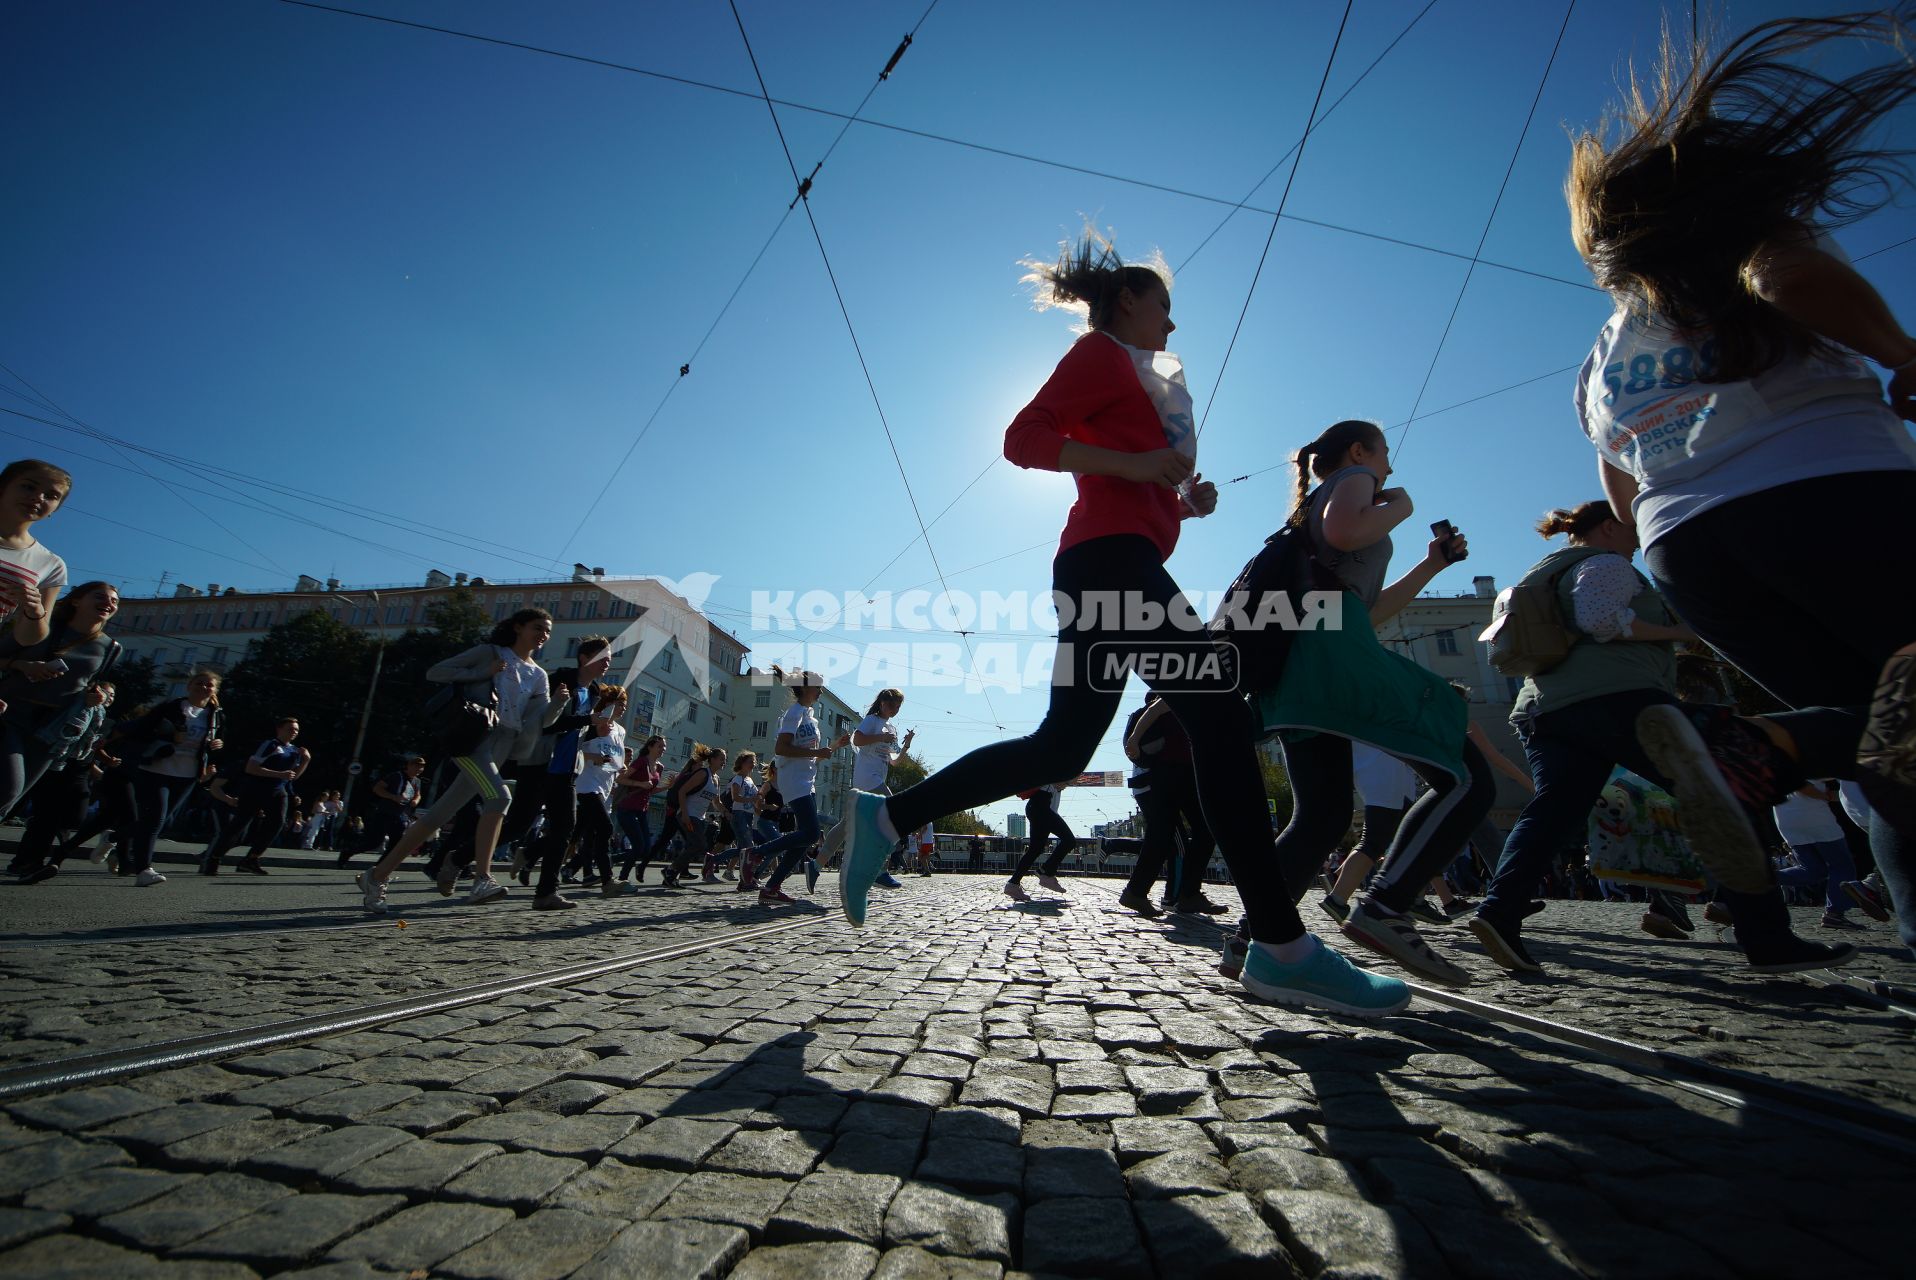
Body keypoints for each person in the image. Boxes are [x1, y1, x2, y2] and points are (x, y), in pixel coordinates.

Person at [833, 232, 1406, 1014]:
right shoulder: (1101, 354)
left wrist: (1179, 503)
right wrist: (1137, 469)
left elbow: (1127, 481)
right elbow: (1021, 439)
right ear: (1128, 301)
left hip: (1108, 561)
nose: (1172, 326)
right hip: (1110, 565)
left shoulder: (1138, 378)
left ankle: (887, 814)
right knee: (1219, 719)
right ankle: (1282, 947)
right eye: (1164, 308)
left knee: (1061, 745)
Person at [1565, 13, 1916, 958]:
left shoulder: (1605, 346)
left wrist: (1653, 550)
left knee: (1890, 745)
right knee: (1892, 728)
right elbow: (1789, 274)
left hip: (1693, 550)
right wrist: (1901, 352)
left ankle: (1775, 748)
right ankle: (1773, 749)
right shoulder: (1744, 247)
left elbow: (1613, 467)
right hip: (1833, 492)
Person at [1467, 502, 1845, 972]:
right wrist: (1676, 631)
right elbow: (1600, 620)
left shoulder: (1545, 570)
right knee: (1721, 795)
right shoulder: (1605, 562)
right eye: (1631, 529)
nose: (1638, 539)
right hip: (1618, 701)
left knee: (1551, 814)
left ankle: (1500, 911)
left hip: (1545, 710)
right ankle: (1766, 936)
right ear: (1609, 527)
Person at [1248, 418, 1498, 988]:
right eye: (1385, 454)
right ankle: (1385, 907)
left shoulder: (1313, 507)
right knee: (1464, 776)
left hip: (1301, 670)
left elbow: (1369, 609)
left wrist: (1432, 564)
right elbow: (1345, 533)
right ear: (1359, 451)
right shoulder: (1357, 478)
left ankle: (1252, 937)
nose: (1390, 468)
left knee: (1321, 816)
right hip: (1337, 658)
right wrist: (1402, 504)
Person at [358, 609, 557, 913]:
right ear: (518, 627)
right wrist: (483, 672)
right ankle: (482, 879)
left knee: (436, 816)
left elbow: (540, 721)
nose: (543, 635)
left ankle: (376, 876)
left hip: (504, 743)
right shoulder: (489, 652)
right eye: (537, 628)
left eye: (547, 631)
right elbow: (436, 672)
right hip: (473, 738)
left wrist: (557, 704)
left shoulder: (539, 674)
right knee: (499, 796)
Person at [500, 637, 613, 909]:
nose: (608, 662)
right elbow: (546, 724)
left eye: (610, 657)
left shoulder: (594, 692)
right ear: (584, 658)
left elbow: (576, 730)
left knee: (564, 828)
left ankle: (546, 892)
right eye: (604, 657)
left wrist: (593, 730)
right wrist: (588, 720)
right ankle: (456, 858)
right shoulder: (559, 681)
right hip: (539, 763)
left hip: (566, 770)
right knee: (518, 824)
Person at [0, 580, 120, 828]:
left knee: (12, 800)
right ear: (76, 600)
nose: (108, 603)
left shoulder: (111, 647)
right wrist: (22, 665)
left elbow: (89, 685)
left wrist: (94, 697)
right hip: (9, 713)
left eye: (114, 601)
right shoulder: (42, 626)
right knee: (8, 788)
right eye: (100, 597)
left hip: (52, 729)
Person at [753, 668, 852, 905]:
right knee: (810, 833)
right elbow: (781, 748)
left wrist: (834, 747)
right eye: (818, 687)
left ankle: (772, 887)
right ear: (806, 688)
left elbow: (809, 756)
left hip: (807, 780)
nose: (820, 692)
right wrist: (816, 751)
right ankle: (756, 853)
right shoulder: (793, 713)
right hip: (794, 780)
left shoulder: (809, 716)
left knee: (805, 839)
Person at [1117, 693, 1219, 917]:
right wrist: (1134, 739)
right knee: (1162, 834)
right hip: (1168, 770)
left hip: (1188, 771)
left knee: (1205, 830)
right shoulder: (1183, 687)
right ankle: (1137, 892)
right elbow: (1155, 709)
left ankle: (1188, 894)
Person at [120, 670, 225, 887]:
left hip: (187, 774)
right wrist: (169, 737)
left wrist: (217, 745)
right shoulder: (172, 707)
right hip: (157, 768)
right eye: (199, 683)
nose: (204, 688)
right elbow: (142, 730)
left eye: (209, 685)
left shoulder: (215, 715)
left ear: (215, 690)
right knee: (156, 818)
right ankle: (143, 869)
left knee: (163, 820)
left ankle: (114, 839)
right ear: (189, 685)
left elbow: (216, 742)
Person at [9, 681, 114, 883]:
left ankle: (31, 855)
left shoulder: (101, 716)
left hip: (77, 768)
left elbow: (88, 746)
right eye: (105, 692)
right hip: (53, 761)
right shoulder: (77, 701)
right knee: (43, 814)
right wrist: (86, 703)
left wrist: (100, 766)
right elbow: (67, 732)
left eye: (111, 696)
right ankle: (27, 863)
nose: (107, 697)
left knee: (71, 815)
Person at [820, 689, 914, 886]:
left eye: (898, 707)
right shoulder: (872, 720)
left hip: (875, 780)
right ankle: (880, 871)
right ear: (882, 703)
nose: (895, 710)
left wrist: (906, 746)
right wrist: (881, 738)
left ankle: (815, 864)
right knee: (893, 812)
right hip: (867, 779)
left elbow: (894, 762)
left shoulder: (891, 729)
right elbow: (858, 739)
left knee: (847, 824)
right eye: (892, 705)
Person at [202, 716, 309, 875]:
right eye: (290, 729)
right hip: (255, 789)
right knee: (239, 825)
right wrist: (279, 774)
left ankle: (251, 859)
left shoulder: (294, 750)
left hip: (278, 791)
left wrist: (306, 760)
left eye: (296, 730)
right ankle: (214, 858)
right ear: (279, 729)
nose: (294, 732)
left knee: (276, 824)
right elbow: (251, 768)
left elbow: (293, 776)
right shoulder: (271, 744)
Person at [1774, 781, 1878, 930]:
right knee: (1842, 866)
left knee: (1813, 870)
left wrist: (1830, 795)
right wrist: (1823, 796)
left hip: (1786, 820)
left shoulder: (1777, 760)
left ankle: (1761, 878)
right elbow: (1803, 785)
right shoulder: (1808, 759)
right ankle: (1834, 913)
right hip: (1814, 819)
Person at [0, 459, 72, 650]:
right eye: (28, 487)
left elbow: (27, 639)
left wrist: (34, 610)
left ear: (55, 509)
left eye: (51, 495)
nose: (38, 497)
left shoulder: (51, 564)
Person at [572, 693, 627, 897]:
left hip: (604, 786)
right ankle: (607, 880)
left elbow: (616, 757)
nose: (623, 708)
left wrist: (620, 768)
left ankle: (529, 854)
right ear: (606, 704)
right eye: (619, 703)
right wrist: (592, 756)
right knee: (605, 828)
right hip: (586, 783)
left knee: (574, 830)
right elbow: (573, 749)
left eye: (625, 704)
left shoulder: (620, 731)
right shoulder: (593, 724)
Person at [664, 744, 727, 889]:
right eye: (721, 759)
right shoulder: (703, 773)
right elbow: (682, 792)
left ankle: (671, 874)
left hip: (699, 818)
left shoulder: (716, 779)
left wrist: (726, 812)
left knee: (694, 845)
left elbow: (716, 801)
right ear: (711, 760)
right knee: (699, 845)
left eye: (725, 759)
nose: (724, 762)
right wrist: (685, 814)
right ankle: (671, 871)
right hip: (689, 815)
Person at [1005, 781, 1078, 902]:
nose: (1067, 786)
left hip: (1037, 807)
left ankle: (1012, 884)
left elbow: (1054, 804)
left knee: (1035, 849)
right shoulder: (1050, 774)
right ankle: (1046, 873)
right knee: (1069, 840)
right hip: (1040, 806)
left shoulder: (1053, 789)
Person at [614, 735, 666, 884]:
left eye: (664, 746)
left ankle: (612, 859)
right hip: (627, 808)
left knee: (645, 848)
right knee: (638, 845)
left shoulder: (660, 767)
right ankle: (622, 878)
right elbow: (620, 779)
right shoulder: (641, 761)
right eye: (660, 746)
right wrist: (640, 784)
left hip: (642, 810)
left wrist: (668, 787)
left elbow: (651, 790)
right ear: (650, 747)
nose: (663, 749)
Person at [356, 755, 425, 865]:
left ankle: (378, 868)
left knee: (396, 844)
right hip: (384, 813)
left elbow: (418, 794)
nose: (419, 769)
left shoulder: (417, 781)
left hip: (401, 815)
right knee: (374, 842)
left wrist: (415, 801)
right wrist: (392, 796)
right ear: (409, 766)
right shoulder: (396, 776)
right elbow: (377, 788)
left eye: (421, 767)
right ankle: (348, 852)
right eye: (417, 766)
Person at [727, 752, 764, 891]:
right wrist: (751, 800)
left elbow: (756, 798)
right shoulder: (738, 779)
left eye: (754, 761)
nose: (753, 764)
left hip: (748, 816)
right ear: (742, 763)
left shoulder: (750, 780)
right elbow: (735, 797)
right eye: (750, 761)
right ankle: (746, 881)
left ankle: (712, 861)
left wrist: (761, 804)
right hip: (739, 814)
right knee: (748, 848)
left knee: (742, 850)